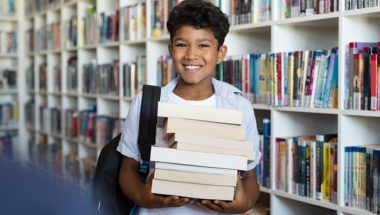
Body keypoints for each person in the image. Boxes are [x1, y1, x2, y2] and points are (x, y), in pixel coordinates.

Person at [117, 0, 261, 214]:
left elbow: (249, 177)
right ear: (170, 49)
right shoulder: (148, 102)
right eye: (182, 44)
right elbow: (127, 169)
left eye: (203, 45)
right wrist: (144, 198)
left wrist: (244, 203)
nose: (191, 54)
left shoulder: (239, 106)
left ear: (220, 53)